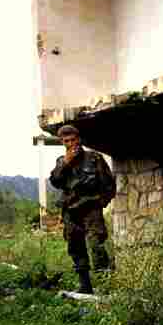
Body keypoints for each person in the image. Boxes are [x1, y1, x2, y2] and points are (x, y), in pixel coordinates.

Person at [49, 125, 116, 294]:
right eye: (67, 141)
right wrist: (66, 163)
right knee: (75, 247)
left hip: (91, 209)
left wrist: (101, 202)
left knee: (96, 245)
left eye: (73, 140)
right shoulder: (61, 161)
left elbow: (109, 184)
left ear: (79, 139)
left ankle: (106, 285)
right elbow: (55, 182)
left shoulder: (94, 158)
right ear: (62, 142)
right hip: (71, 212)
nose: (71, 144)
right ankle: (85, 286)